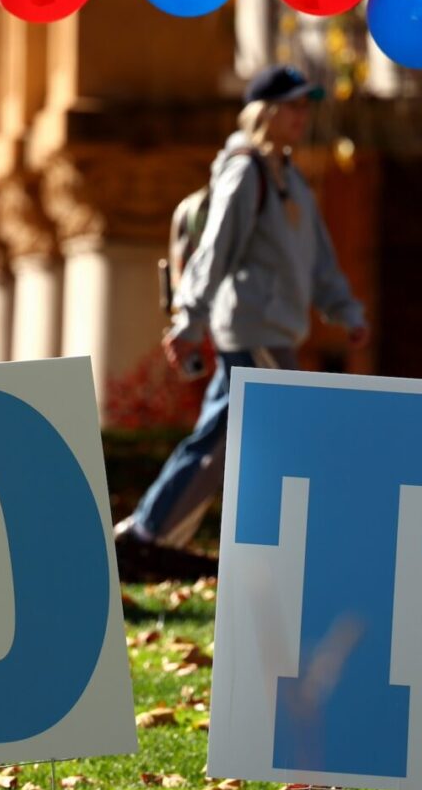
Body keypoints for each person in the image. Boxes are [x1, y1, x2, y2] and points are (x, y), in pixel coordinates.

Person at [115, 64, 368, 548]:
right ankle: (155, 533)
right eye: (292, 106)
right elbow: (213, 251)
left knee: (226, 438)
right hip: (254, 331)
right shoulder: (243, 173)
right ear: (265, 112)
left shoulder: (292, 180)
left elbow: (320, 261)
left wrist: (346, 311)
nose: (302, 115)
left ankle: (155, 532)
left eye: (304, 106)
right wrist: (189, 320)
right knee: (261, 437)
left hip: (273, 332)